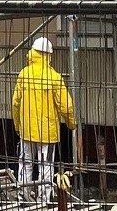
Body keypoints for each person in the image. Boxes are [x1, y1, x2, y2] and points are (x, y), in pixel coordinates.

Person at [12, 36, 75, 195]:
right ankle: (43, 200)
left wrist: (17, 125)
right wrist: (71, 123)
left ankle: (23, 197)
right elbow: (66, 106)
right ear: (48, 55)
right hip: (48, 132)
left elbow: (15, 103)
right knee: (46, 165)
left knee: (25, 164)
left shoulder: (24, 74)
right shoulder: (54, 77)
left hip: (26, 129)